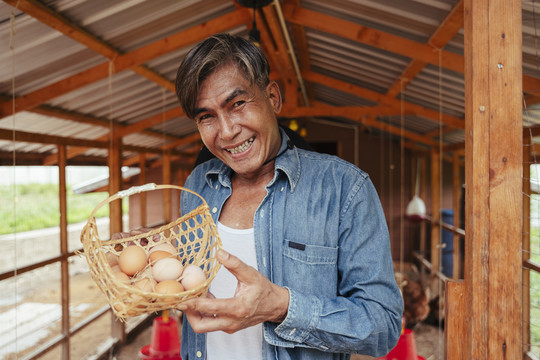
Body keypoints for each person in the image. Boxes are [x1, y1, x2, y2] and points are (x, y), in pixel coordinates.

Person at [174, 33, 403, 360]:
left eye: (237, 104)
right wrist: (151, 266)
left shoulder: (344, 188)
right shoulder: (198, 183)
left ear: (272, 98)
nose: (226, 131)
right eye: (206, 116)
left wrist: (281, 306)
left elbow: (383, 325)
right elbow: (189, 282)